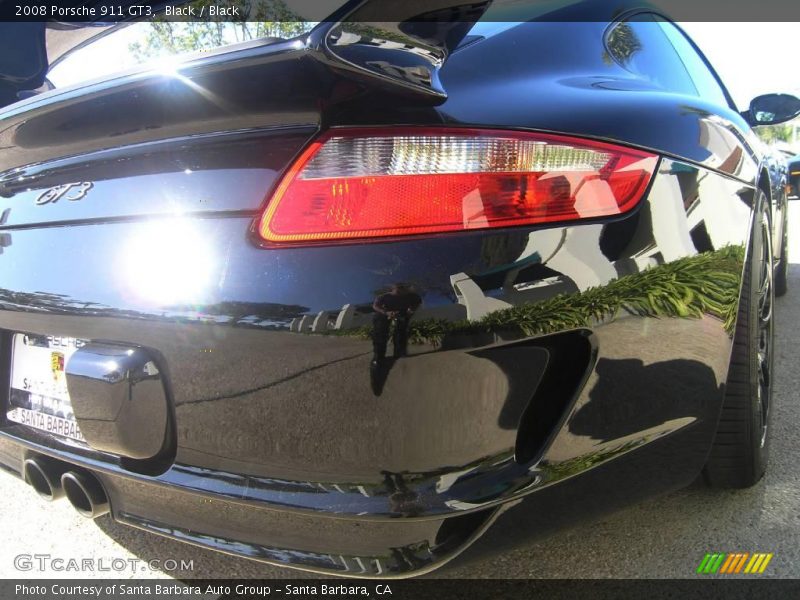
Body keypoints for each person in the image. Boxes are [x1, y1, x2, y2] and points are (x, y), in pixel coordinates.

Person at [371, 283, 422, 364]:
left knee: (401, 330)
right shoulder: (384, 296)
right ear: (392, 290)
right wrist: (386, 312)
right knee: (380, 327)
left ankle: (399, 352)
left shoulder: (412, 296)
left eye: (403, 292)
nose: (400, 295)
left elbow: (418, 302)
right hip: (386, 311)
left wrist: (411, 310)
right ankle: (379, 354)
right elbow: (375, 305)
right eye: (398, 292)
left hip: (402, 312)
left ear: (406, 290)